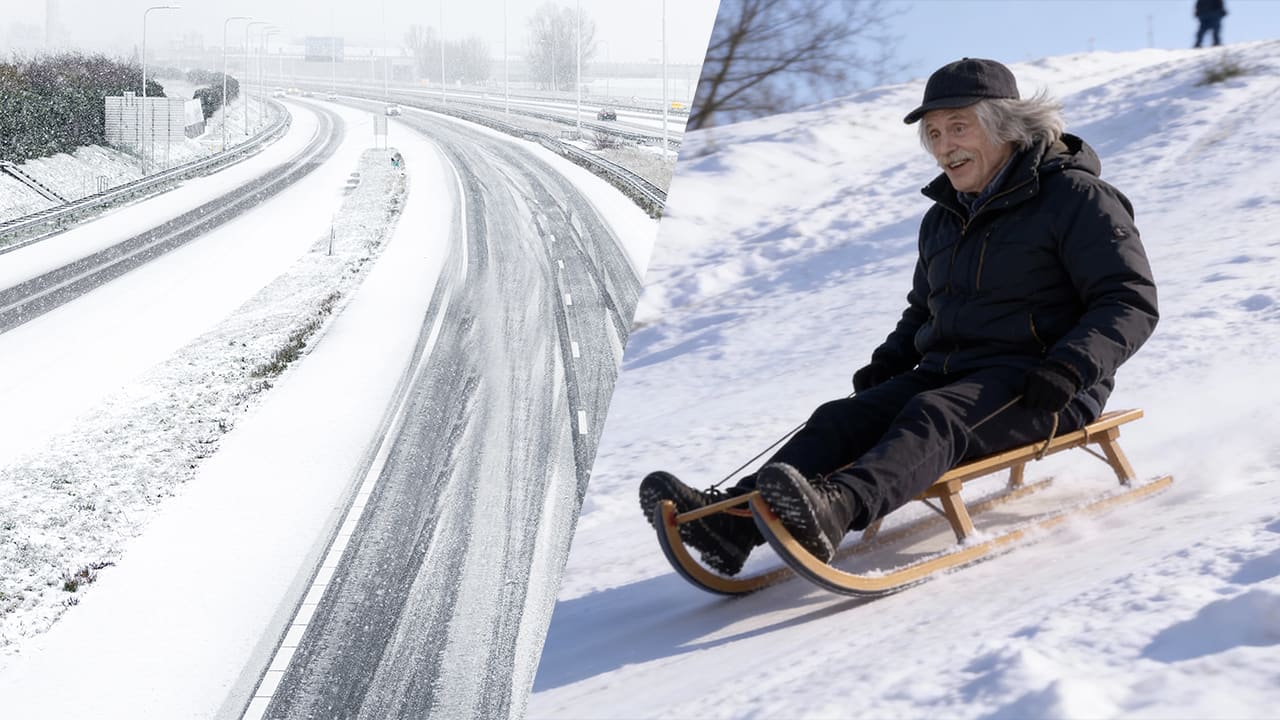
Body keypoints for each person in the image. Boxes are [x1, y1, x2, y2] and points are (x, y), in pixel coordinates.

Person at [639, 58, 1159, 577]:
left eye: (959, 127)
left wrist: (1070, 368)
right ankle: (732, 524)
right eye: (933, 134)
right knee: (841, 418)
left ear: (1008, 126)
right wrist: (888, 363)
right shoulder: (944, 217)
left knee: (934, 416)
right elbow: (924, 309)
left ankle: (836, 509)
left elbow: (1128, 300)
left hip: (1043, 382)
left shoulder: (1075, 198)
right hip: (953, 373)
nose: (944, 146)